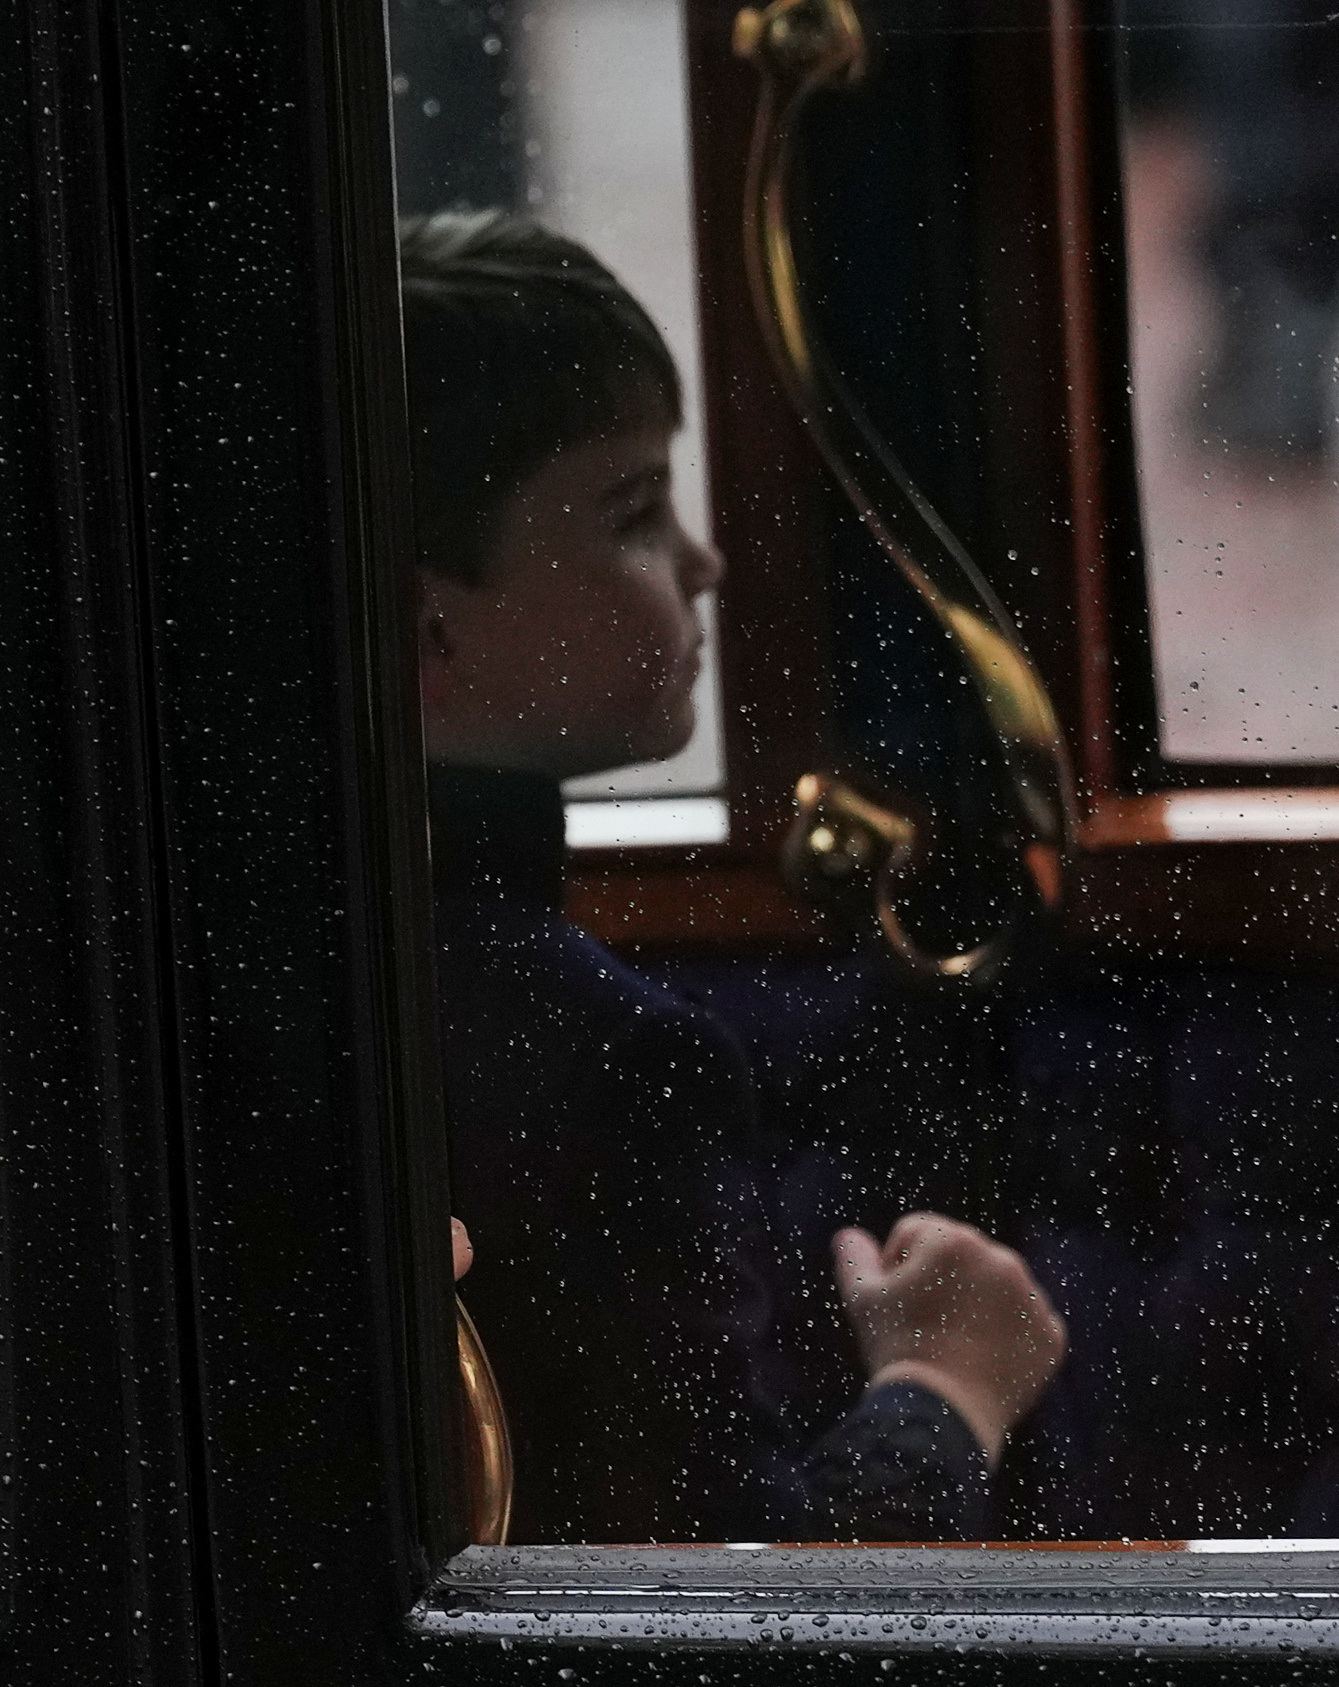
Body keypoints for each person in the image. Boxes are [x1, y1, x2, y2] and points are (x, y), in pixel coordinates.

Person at [403, 210, 1067, 1542]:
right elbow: (717, 1602)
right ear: (421, 616)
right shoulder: (590, 1051)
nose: (703, 565)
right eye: (634, 510)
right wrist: (946, 1386)